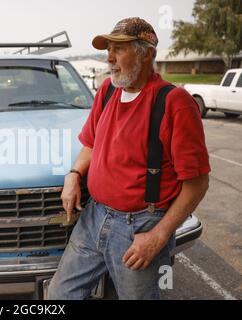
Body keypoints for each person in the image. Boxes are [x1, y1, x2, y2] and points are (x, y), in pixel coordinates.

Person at [47, 17, 210, 300]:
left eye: (119, 49)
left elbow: (197, 184)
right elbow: (91, 144)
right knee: (60, 295)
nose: (109, 57)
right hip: (94, 217)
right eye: (108, 49)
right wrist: (73, 175)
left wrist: (159, 236)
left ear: (145, 53)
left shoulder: (174, 102)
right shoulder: (107, 92)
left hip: (140, 227)